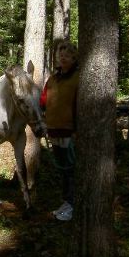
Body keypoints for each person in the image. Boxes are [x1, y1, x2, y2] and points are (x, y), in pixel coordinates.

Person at [39, 40, 79, 221]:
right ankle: (66, 202)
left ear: (74, 58)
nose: (63, 58)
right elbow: (43, 101)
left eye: (67, 55)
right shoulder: (53, 79)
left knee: (71, 169)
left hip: (70, 131)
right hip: (53, 131)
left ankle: (72, 204)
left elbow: (80, 105)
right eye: (60, 55)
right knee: (62, 169)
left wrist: (77, 129)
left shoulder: (78, 78)